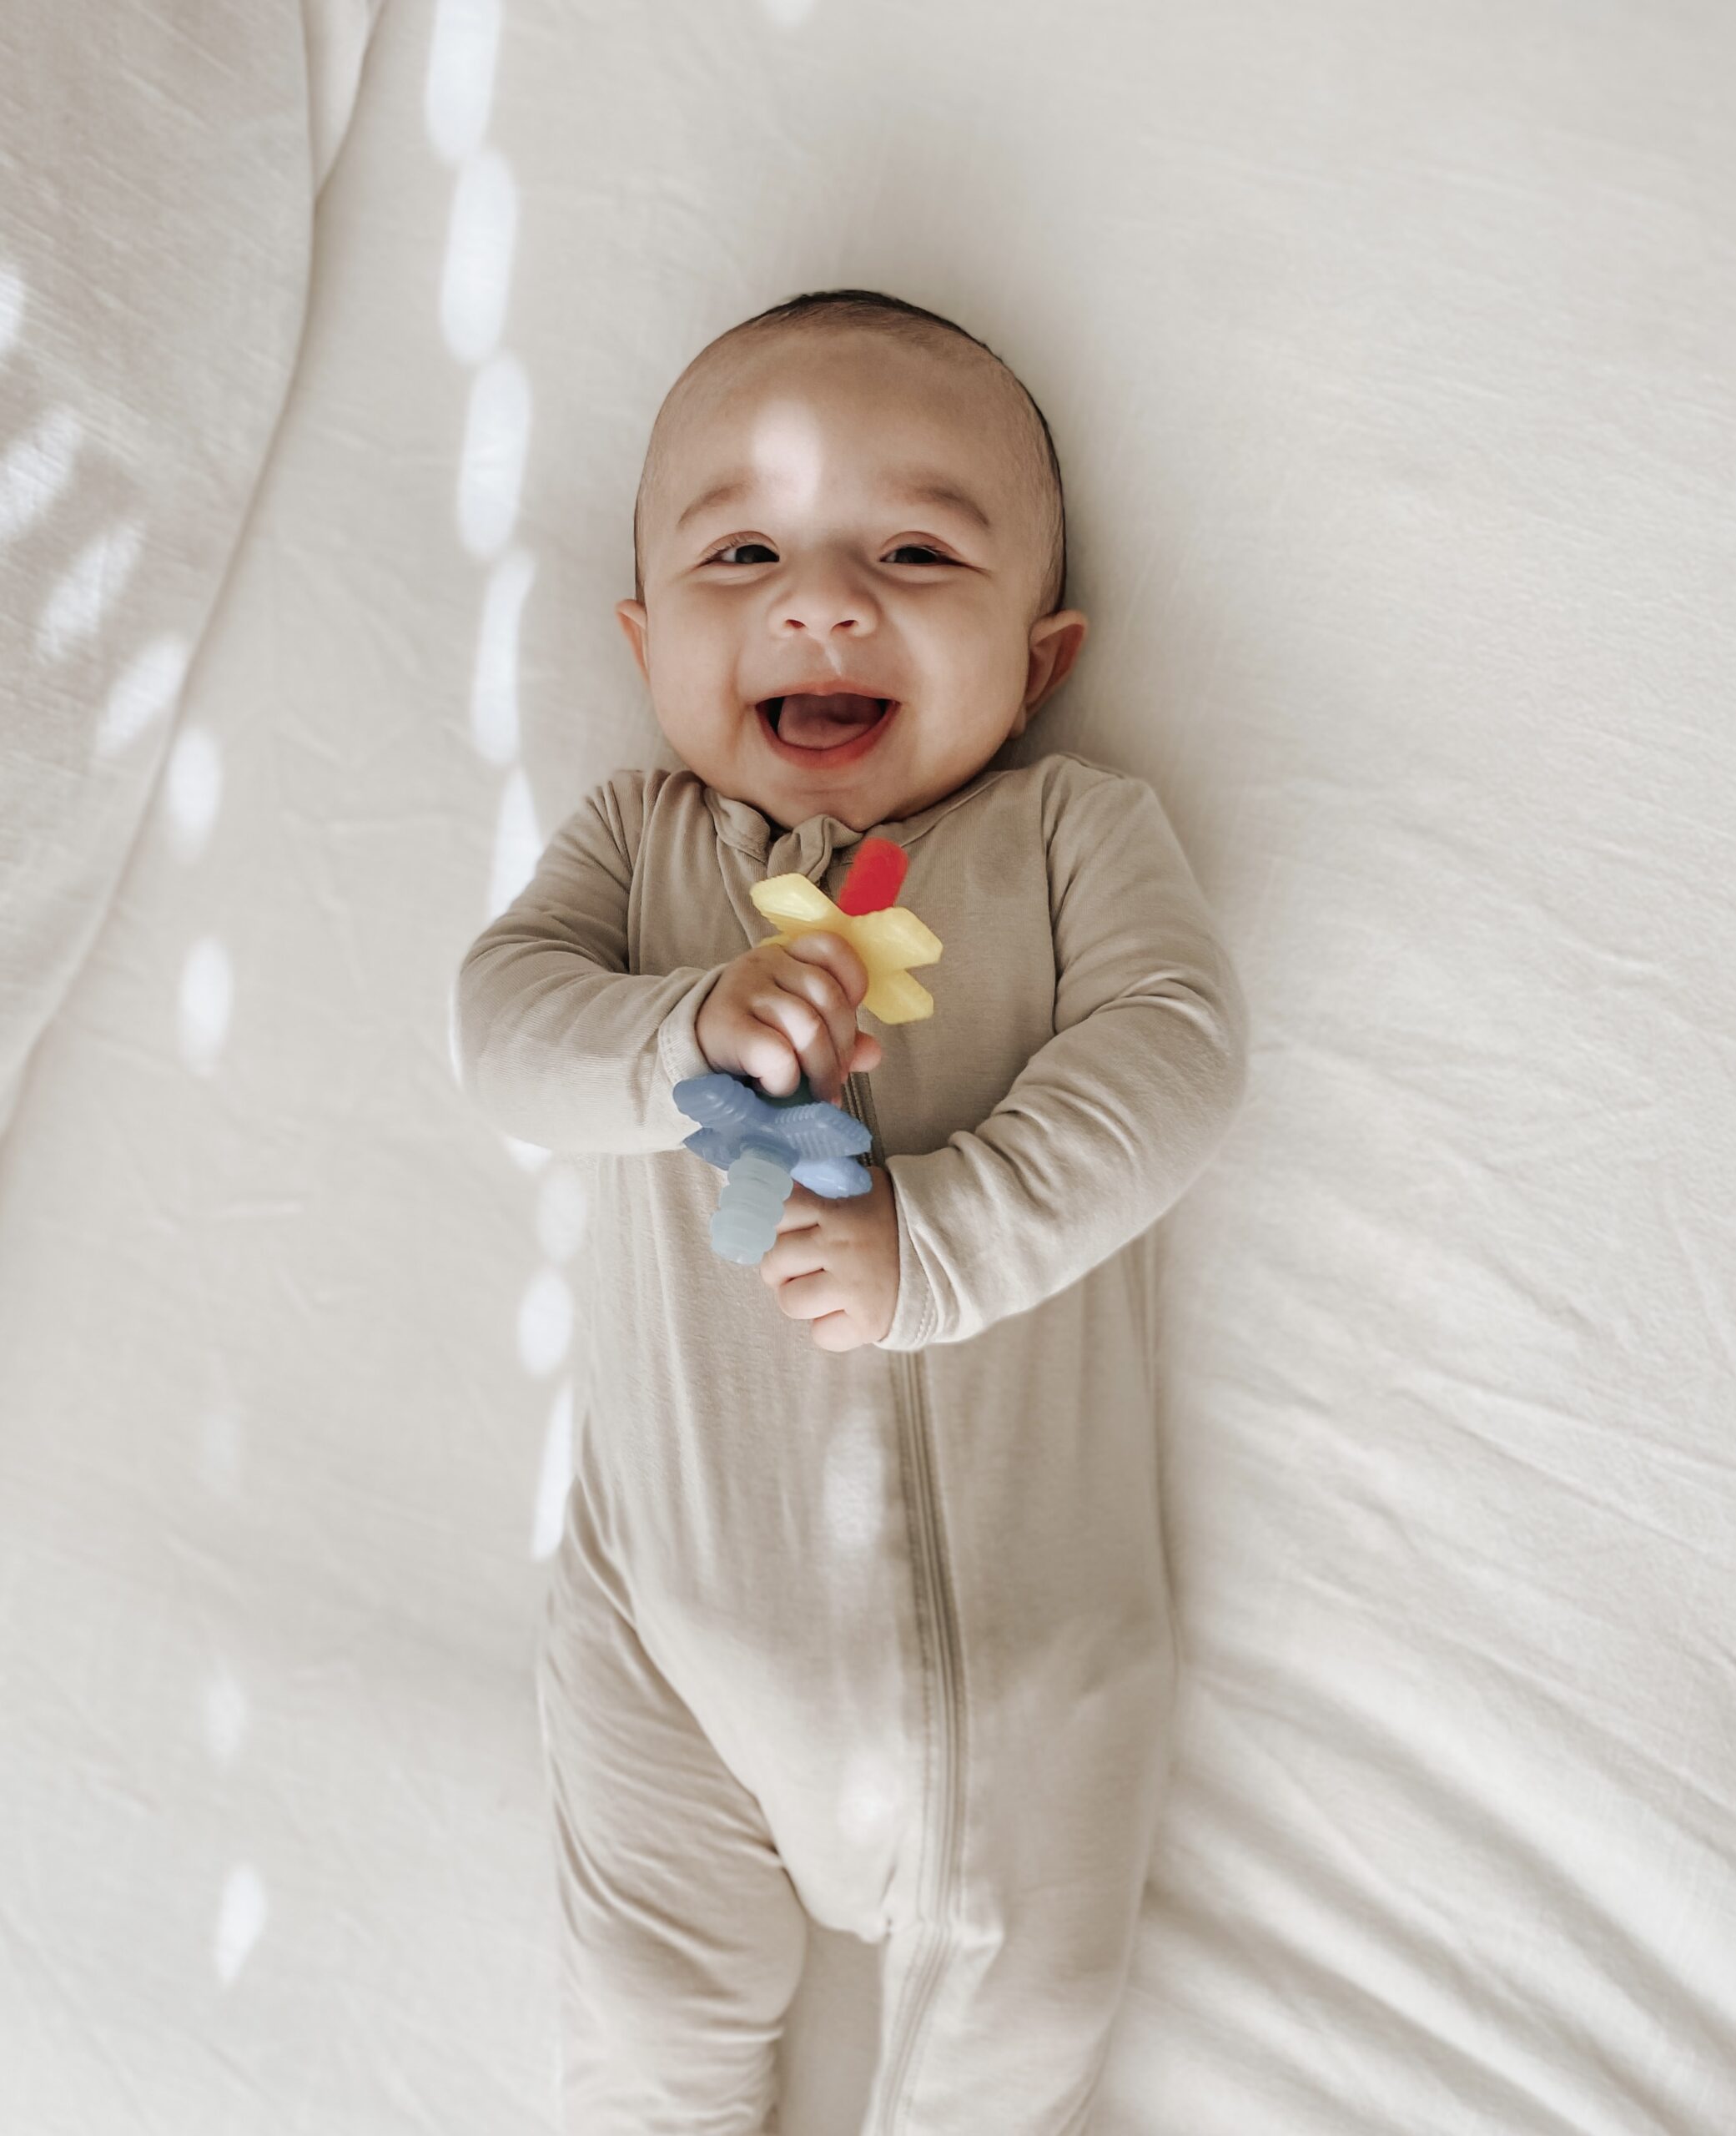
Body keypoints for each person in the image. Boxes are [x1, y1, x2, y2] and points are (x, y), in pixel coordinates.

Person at [454, 287, 1250, 2134]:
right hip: (663, 1613)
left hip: (1029, 1661)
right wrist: (679, 1026)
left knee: (1014, 2035)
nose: (821, 601)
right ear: (647, 639)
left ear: (1039, 658)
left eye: (911, 549)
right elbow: (500, 1037)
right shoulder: (641, 849)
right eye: (744, 551)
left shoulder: (1068, 838)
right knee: (646, 2032)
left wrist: (945, 1238)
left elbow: (1180, 1054)